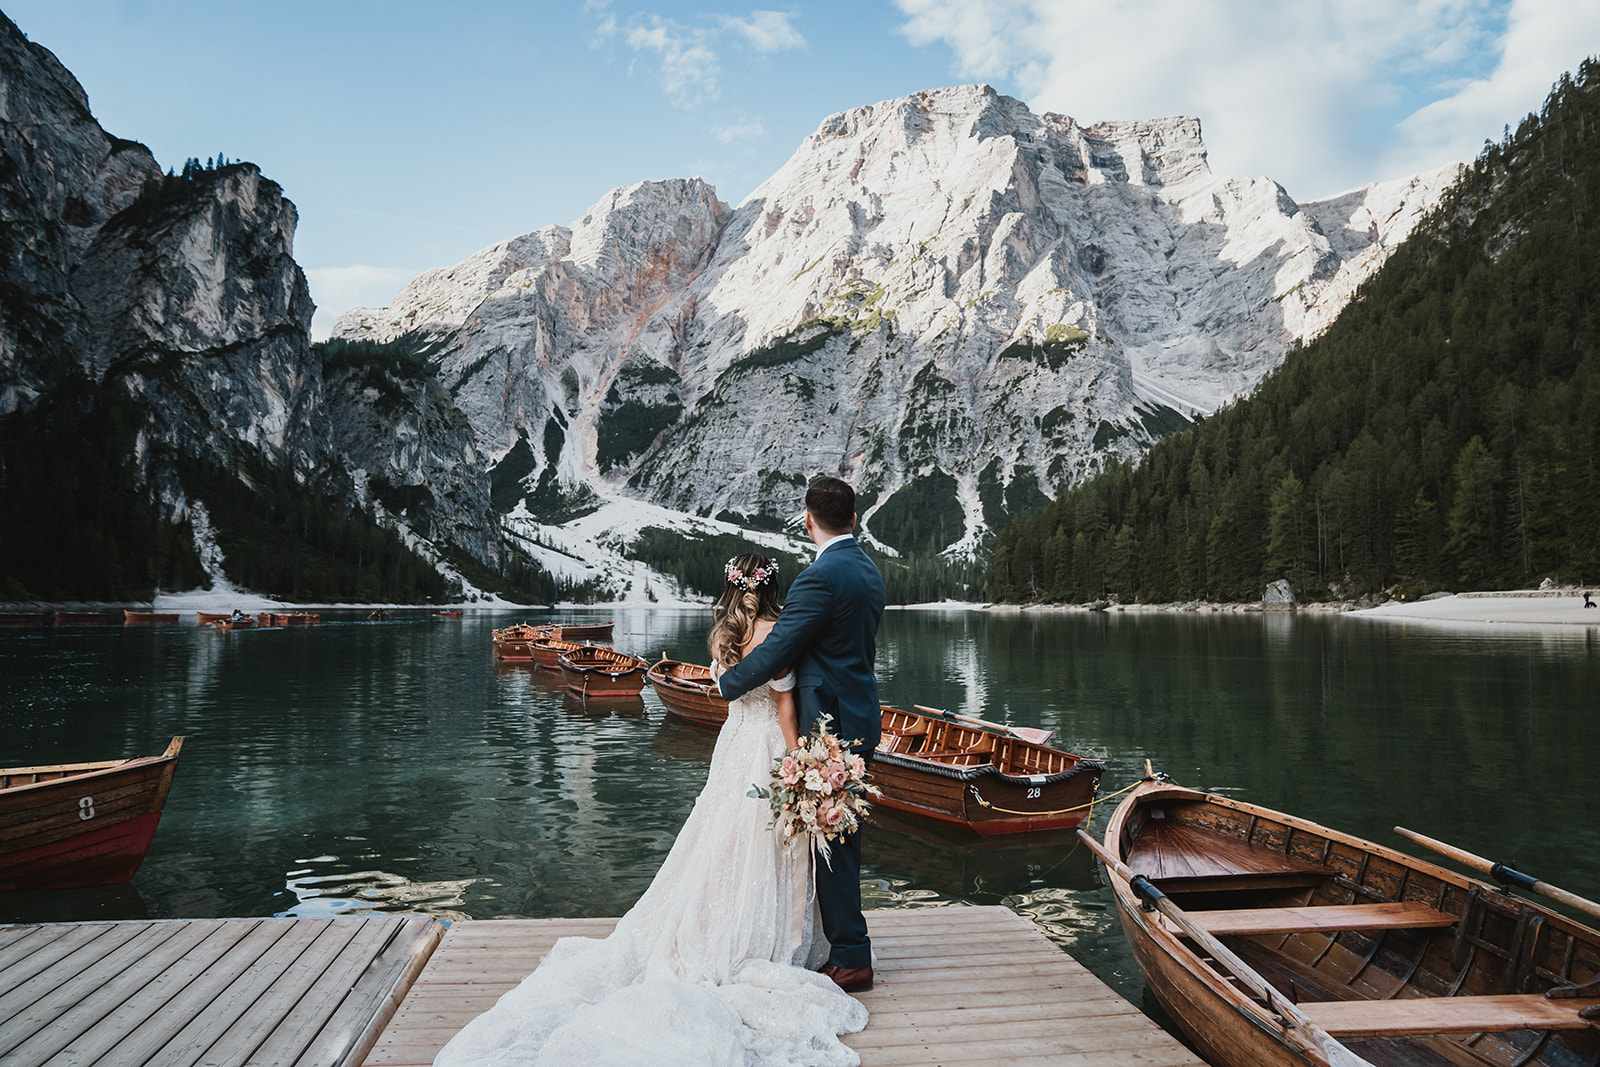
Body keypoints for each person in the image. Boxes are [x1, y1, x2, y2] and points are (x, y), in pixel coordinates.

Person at [432, 552, 867, 1067]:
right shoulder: (781, 632)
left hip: (734, 747)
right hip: (770, 746)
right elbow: (786, 708)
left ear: (732, 587)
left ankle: (714, 927)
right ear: (775, 587)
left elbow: (733, 698)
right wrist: (799, 763)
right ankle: (768, 937)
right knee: (768, 839)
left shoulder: (727, 634)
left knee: (723, 837)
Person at [717, 476, 887, 994]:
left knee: (833, 835)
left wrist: (728, 683)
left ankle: (852, 957)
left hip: (827, 724)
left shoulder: (821, 577)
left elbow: (778, 651)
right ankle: (845, 948)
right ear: (853, 519)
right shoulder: (869, 571)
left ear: (808, 520)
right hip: (860, 716)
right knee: (841, 833)